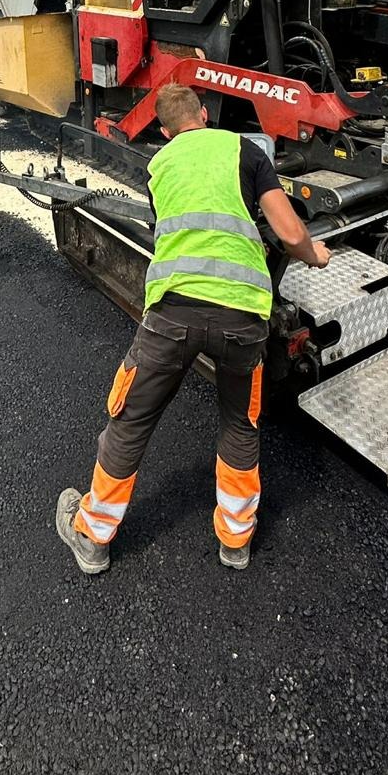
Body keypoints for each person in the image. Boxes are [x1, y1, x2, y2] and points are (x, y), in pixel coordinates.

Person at [56, 83, 331, 576]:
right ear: (205, 114)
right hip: (242, 318)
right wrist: (316, 255)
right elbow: (290, 234)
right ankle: (235, 541)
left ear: (164, 130)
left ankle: (93, 536)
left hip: (173, 314)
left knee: (131, 419)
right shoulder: (244, 150)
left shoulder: (160, 165)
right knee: (238, 422)